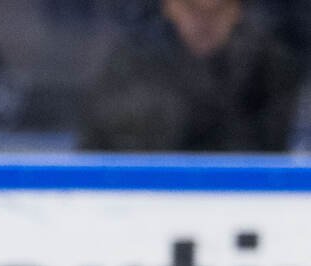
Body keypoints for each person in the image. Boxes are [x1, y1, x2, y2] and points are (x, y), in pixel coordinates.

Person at [80, 0, 301, 152]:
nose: (204, 22)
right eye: (192, 8)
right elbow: (100, 150)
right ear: (170, 6)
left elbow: (272, 152)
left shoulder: (269, 67)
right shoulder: (129, 65)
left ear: (237, 10)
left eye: (218, 10)